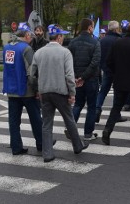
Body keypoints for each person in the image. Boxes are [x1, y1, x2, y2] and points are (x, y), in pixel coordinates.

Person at [30, 25, 88, 160]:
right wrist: (72, 93)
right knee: (69, 119)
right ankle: (77, 146)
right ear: (59, 37)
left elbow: (32, 74)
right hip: (61, 92)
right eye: (63, 35)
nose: (63, 38)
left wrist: (37, 90)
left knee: (46, 123)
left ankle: (47, 154)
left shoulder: (39, 52)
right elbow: (69, 75)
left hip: (44, 92)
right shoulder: (65, 52)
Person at [101, 22, 130, 145]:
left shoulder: (117, 43)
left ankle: (107, 130)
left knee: (116, 108)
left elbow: (109, 61)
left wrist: (116, 72)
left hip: (120, 80)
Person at [2, 28, 44, 155]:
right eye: (30, 36)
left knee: (14, 121)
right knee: (35, 118)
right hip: (26, 90)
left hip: (11, 89)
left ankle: (16, 147)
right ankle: (41, 143)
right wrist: (37, 89)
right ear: (26, 35)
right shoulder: (26, 49)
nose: (31, 38)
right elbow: (31, 72)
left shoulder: (7, 48)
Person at [67, 18, 101, 141]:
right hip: (91, 79)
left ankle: (71, 129)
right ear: (90, 28)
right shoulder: (95, 42)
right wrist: (84, 76)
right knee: (91, 106)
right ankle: (88, 134)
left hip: (77, 80)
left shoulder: (73, 42)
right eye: (92, 26)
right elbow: (95, 62)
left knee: (78, 104)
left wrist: (77, 77)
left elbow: (69, 61)